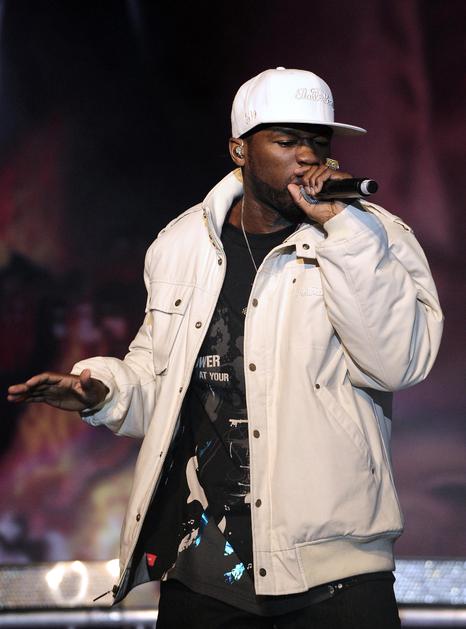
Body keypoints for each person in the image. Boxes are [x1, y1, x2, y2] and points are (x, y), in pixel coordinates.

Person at [8, 67, 443, 628]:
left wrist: (346, 233)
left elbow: (398, 364)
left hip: (335, 571)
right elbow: (161, 381)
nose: (307, 157)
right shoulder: (183, 245)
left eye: (317, 142)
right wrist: (103, 391)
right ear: (240, 150)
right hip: (207, 569)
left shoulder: (373, 237)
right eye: (287, 141)